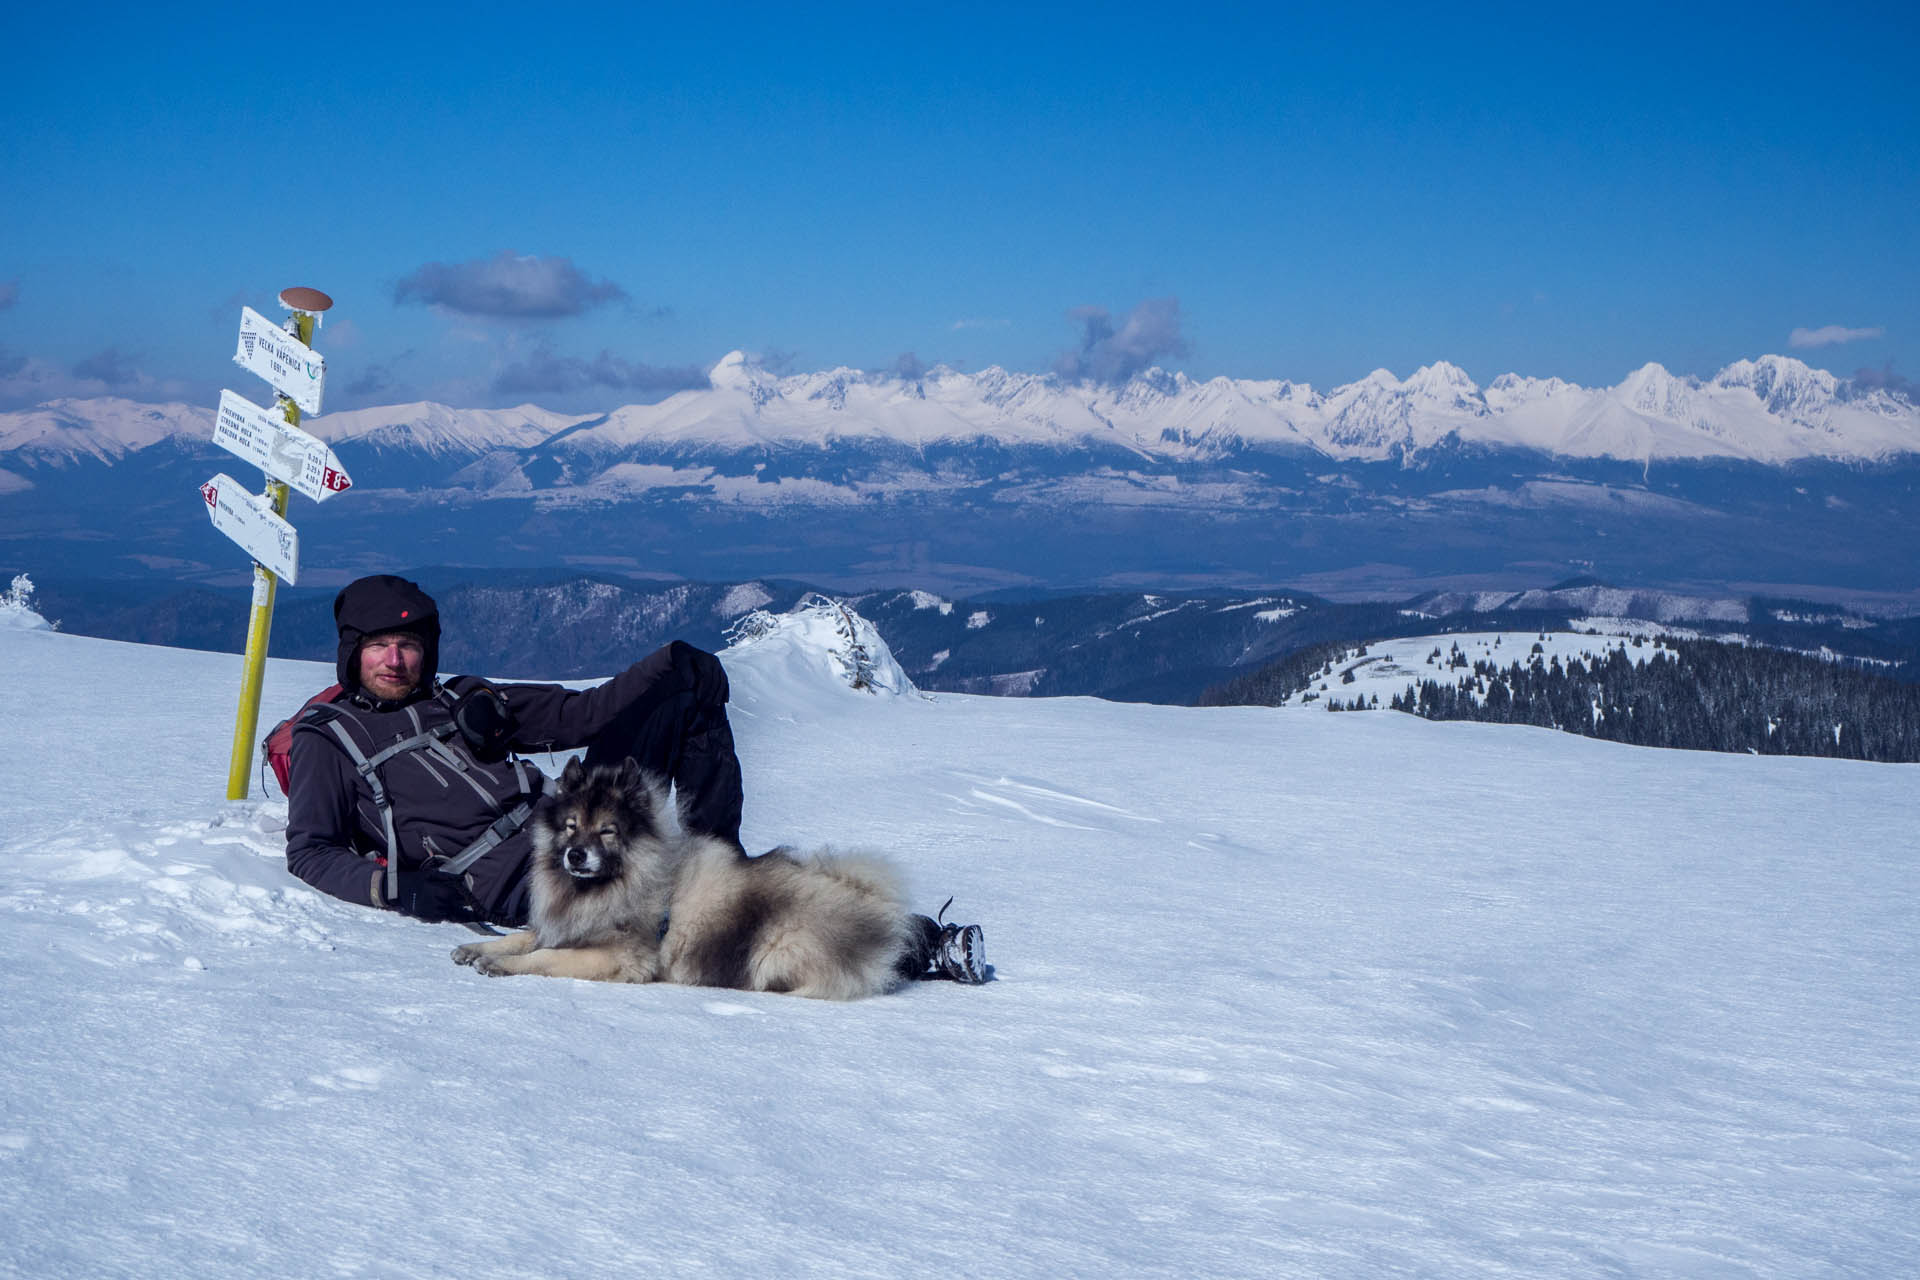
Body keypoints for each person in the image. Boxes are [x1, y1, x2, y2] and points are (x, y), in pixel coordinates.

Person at [283, 574, 986, 984]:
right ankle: (907, 943)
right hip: (522, 876)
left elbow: (583, 713)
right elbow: (310, 849)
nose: (397, 661)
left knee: (683, 703)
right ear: (353, 654)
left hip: (580, 826)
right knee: (746, 912)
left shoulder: (463, 697)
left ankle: (719, 873)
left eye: (408, 645)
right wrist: (393, 887)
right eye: (379, 647)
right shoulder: (331, 742)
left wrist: (668, 663)